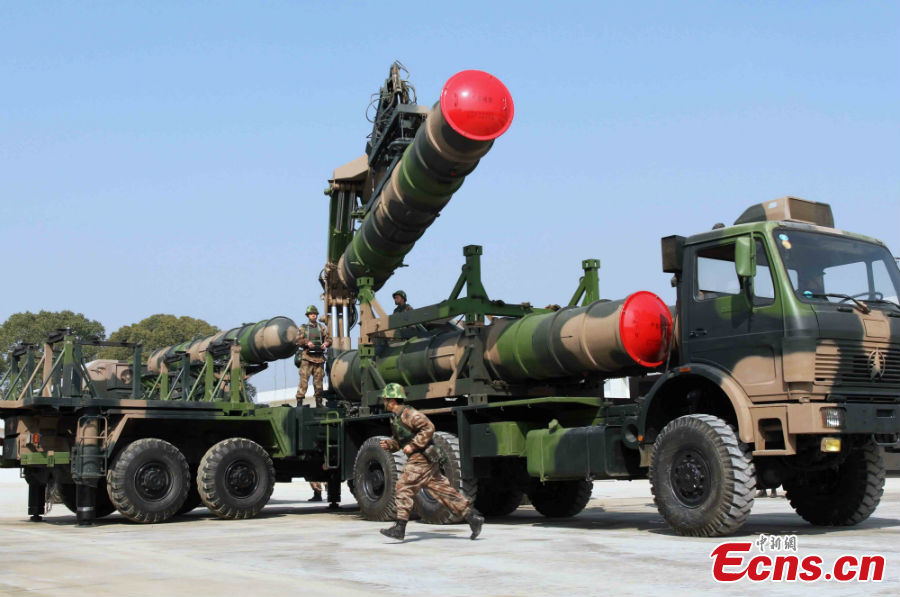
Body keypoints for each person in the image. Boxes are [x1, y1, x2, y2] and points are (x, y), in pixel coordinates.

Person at [378, 383, 483, 542]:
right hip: (426, 459)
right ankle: (472, 518)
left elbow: (428, 427)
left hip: (420, 458)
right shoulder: (397, 417)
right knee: (443, 491)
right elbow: (403, 438)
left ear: (391, 400)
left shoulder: (409, 414)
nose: (384, 402)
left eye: (385, 399)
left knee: (403, 486)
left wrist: (413, 446)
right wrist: (391, 445)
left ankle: (400, 527)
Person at [295, 305, 332, 408]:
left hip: (319, 358)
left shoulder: (321, 328)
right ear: (308, 316)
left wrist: (326, 344)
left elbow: (329, 339)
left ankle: (319, 403)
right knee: (303, 381)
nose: (313, 316)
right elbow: (298, 340)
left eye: (315, 314)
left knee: (318, 383)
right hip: (307, 358)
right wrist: (307, 343)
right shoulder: (303, 328)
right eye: (311, 314)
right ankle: (299, 402)